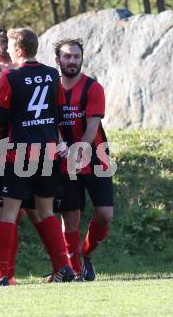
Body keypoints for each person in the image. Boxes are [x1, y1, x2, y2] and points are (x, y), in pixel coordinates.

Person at [0, 28, 74, 285]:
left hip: (19, 151)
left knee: (8, 214)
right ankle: (63, 267)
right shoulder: (51, 75)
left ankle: (3, 275)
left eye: (12, 49)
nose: (10, 53)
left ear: (20, 50)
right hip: (47, 151)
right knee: (47, 211)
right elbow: (58, 112)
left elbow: (1, 119)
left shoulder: (10, 78)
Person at [54, 38, 114, 281]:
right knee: (70, 217)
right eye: (67, 56)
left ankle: (85, 253)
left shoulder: (93, 88)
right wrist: (61, 146)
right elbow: (53, 122)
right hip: (64, 161)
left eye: (76, 56)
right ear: (57, 60)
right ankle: (75, 269)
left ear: (82, 59)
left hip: (95, 158)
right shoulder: (51, 89)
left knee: (105, 215)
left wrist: (77, 152)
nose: (72, 61)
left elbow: (92, 127)